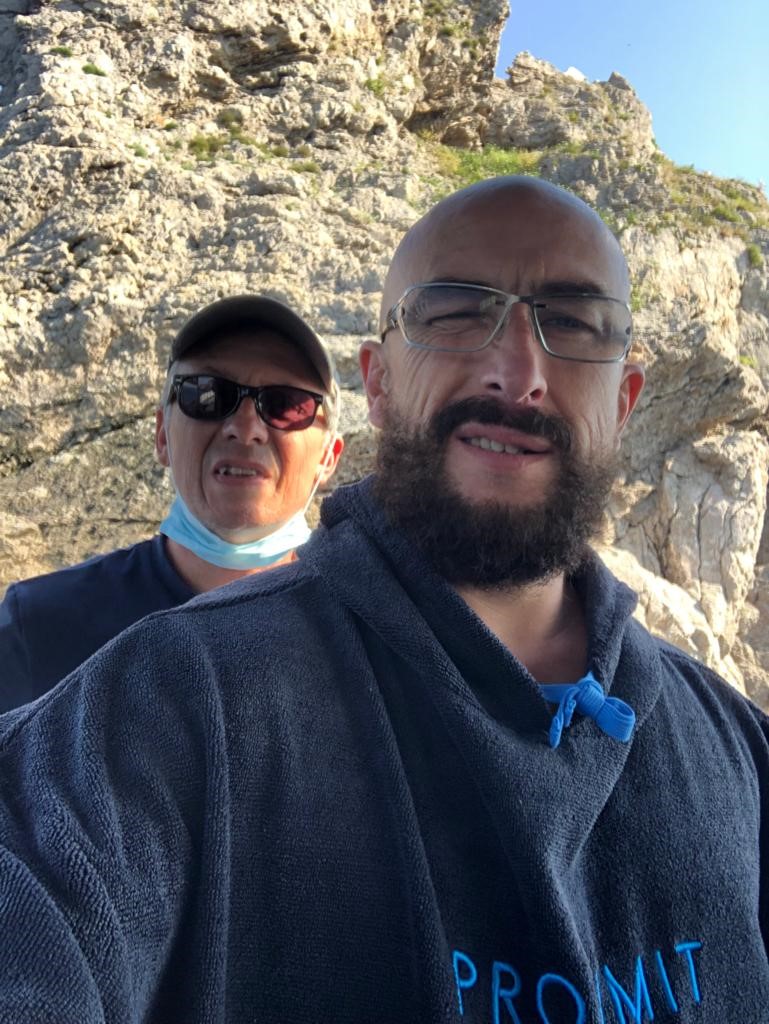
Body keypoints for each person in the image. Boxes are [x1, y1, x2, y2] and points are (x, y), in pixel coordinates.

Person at [0, 176, 767, 1023]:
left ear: (623, 402)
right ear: (380, 383)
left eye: (576, 324)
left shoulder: (737, 749)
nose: (517, 373)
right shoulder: (164, 702)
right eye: (455, 313)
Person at [0, 295, 343, 710]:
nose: (245, 428)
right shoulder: (38, 627)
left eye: (286, 404)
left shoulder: (366, 636)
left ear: (328, 457)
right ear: (162, 435)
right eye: (208, 395)